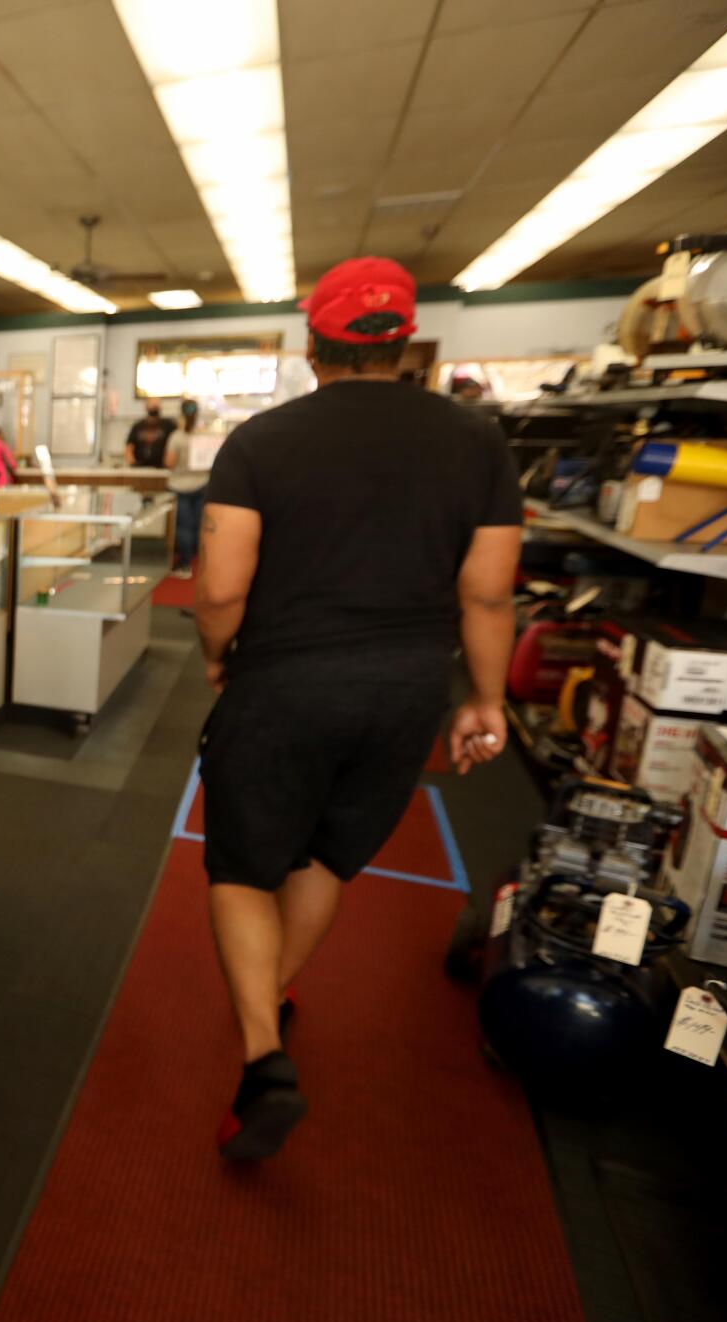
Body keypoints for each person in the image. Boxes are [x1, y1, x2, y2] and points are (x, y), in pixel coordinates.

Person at [193, 256, 522, 1161]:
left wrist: (219, 658)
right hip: (407, 689)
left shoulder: (262, 440)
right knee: (329, 853)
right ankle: (277, 991)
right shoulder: (478, 442)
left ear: (313, 345)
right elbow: (489, 596)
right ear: (404, 343)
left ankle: (263, 1053)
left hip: (284, 683)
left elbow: (220, 588)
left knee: (242, 865)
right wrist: (486, 698)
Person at [167, 398, 207, 576]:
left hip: (179, 486)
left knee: (183, 527)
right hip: (202, 484)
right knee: (197, 525)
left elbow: (169, 462)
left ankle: (184, 563)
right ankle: (198, 562)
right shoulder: (204, 434)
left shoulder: (177, 436)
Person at [126, 399, 176, 468]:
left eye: (155, 406)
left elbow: (174, 447)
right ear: (146, 407)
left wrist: (168, 464)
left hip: (161, 468)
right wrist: (133, 463)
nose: (153, 408)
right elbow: (129, 447)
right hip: (140, 468)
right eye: (151, 406)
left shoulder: (168, 425)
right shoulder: (137, 426)